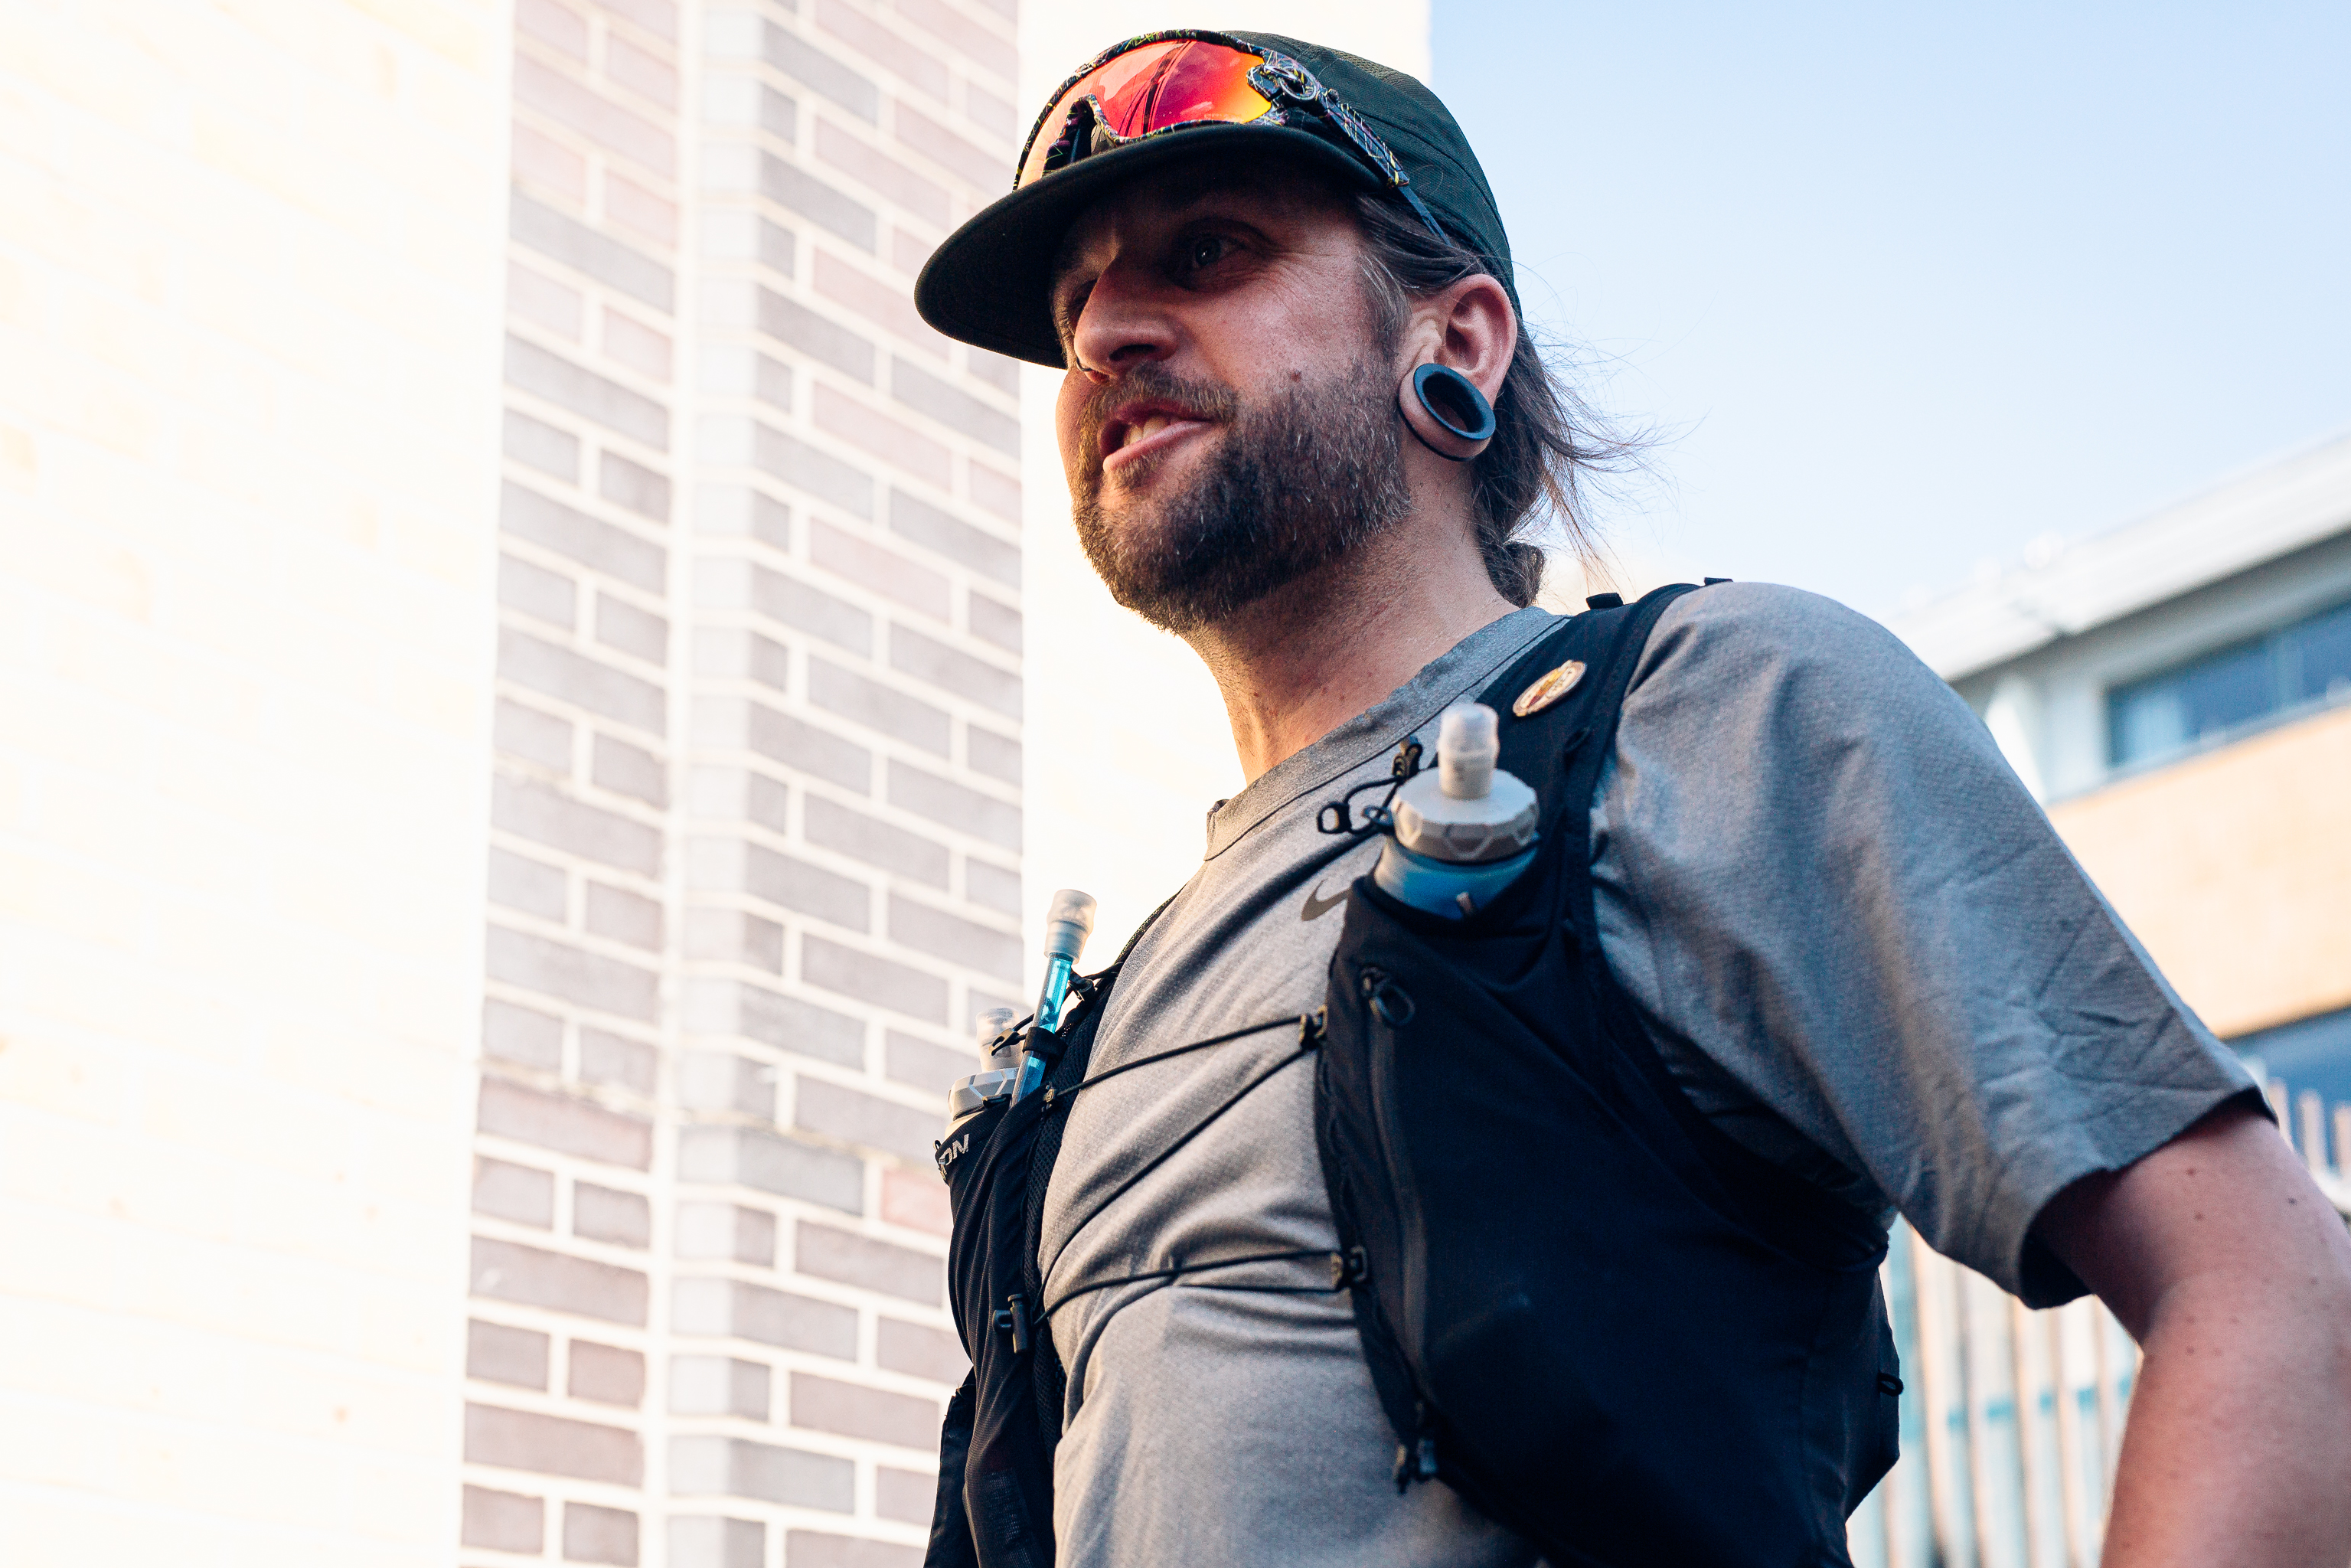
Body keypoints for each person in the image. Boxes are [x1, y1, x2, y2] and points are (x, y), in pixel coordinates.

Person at [914, 30, 2351, 1568]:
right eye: (1075, 306)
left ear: (1459, 340)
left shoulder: (1723, 710)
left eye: (1208, 251)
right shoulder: (1114, 1006)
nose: (1107, 333)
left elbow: (2274, 1296)